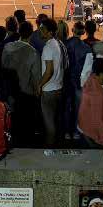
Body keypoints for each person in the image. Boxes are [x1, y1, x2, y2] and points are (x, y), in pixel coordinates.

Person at [1, 21, 40, 145]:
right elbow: (36, 77)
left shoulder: (7, 48)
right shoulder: (33, 52)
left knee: (10, 124)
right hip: (26, 94)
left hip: (9, 93)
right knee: (25, 126)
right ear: (31, 34)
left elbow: (3, 66)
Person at [77, 57, 103, 149]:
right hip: (92, 136)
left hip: (84, 128)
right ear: (101, 74)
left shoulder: (91, 79)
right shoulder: (97, 94)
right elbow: (97, 120)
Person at [38, 18, 64, 146]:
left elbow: (49, 71)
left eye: (43, 29)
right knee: (55, 121)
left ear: (50, 32)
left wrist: (39, 85)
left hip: (49, 90)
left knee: (49, 124)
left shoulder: (48, 47)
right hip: (58, 87)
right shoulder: (56, 44)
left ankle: (49, 149)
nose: (40, 31)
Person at [65, 21, 92, 139]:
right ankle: (75, 131)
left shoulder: (65, 44)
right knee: (77, 107)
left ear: (73, 30)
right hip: (79, 82)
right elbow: (88, 69)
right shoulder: (86, 48)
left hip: (66, 80)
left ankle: (66, 131)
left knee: (66, 106)